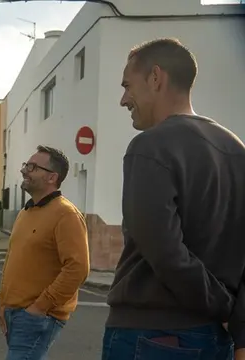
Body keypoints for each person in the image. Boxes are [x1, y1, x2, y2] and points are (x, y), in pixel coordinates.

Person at [102, 38, 245, 360]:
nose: (123, 99)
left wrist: (222, 305)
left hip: (151, 336)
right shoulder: (237, 150)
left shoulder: (149, 146)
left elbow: (165, 253)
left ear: (156, 78)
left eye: (128, 85)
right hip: (216, 339)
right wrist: (237, 323)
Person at [0, 145, 90, 360]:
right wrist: (3, 302)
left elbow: (77, 269)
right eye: (25, 165)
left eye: (32, 167)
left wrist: (40, 307)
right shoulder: (26, 212)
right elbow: (13, 259)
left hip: (37, 316)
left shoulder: (66, 214)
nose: (24, 171)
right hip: (15, 314)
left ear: (52, 177)